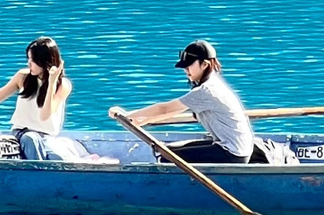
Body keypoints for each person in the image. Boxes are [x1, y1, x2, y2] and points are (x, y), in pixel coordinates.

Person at [111, 40, 267, 163]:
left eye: (188, 66)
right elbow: (171, 113)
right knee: (166, 150)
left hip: (232, 153)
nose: (185, 71)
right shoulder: (212, 84)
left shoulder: (207, 91)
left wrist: (128, 115)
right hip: (234, 148)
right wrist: (140, 122)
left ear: (205, 64)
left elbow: (165, 109)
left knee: (167, 158)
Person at [0, 37, 72, 134]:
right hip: (19, 132)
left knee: (31, 139)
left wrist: (52, 82)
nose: (29, 63)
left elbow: (45, 116)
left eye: (33, 60)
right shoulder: (23, 77)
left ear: (45, 61)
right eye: (28, 59)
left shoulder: (62, 85)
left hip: (45, 136)